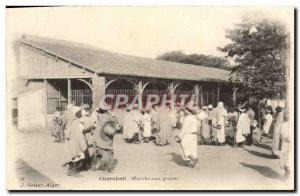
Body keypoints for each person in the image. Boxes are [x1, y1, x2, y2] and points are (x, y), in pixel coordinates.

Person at [91, 105, 118, 172]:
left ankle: (94, 166)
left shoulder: (101, 116)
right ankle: (109, 167)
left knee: (98, 152)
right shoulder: (107, 117)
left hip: (99, 137)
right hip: (106, 138)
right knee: (109, 152)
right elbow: (110, 127)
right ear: (107, 110)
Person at [64, 108, 88, 176]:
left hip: (71, 141)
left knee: (73, 156)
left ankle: (70, 171)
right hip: (76, 142)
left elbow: (68, 132)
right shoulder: (78, 123)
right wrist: (83, 144)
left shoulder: (72, 121)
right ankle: (74, 171)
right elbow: (80, 134)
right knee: (77, 156)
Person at [279, 109, 291, 180]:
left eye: (288, 114)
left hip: (291, 143)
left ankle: (288, 174)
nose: (286, 116)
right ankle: (287, 172)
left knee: (289, 159)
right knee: (283, 160)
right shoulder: (282, 125)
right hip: (285, 143)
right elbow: (281, 135)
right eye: (285, 114)